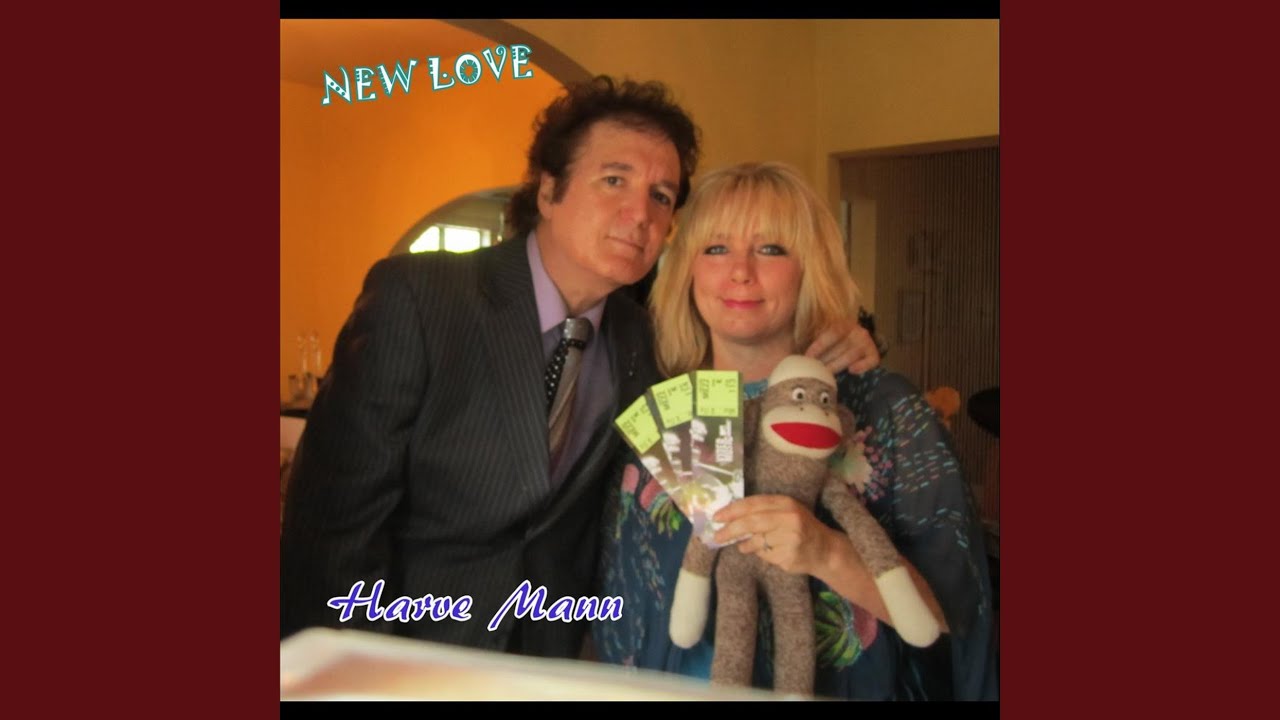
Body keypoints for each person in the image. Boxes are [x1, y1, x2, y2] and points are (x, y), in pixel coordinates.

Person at [280, 77, 881, 659]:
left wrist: (836, 335)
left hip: (554, 658)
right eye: (614, 180)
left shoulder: (647, 339)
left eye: (661, 196)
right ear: (549, 191)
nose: (639, 213)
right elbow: (333, 525)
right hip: (408, 654)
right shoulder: (422, 298)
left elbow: (746, 352)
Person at [594, 161, 998, 700]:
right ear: (687, 269)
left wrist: (827, 552)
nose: (740, 272)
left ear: (811, 268)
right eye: (716, 248)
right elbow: (619, 608)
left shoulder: (883, 412)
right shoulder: (662, 412)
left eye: (771, 249)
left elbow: (956, 618)